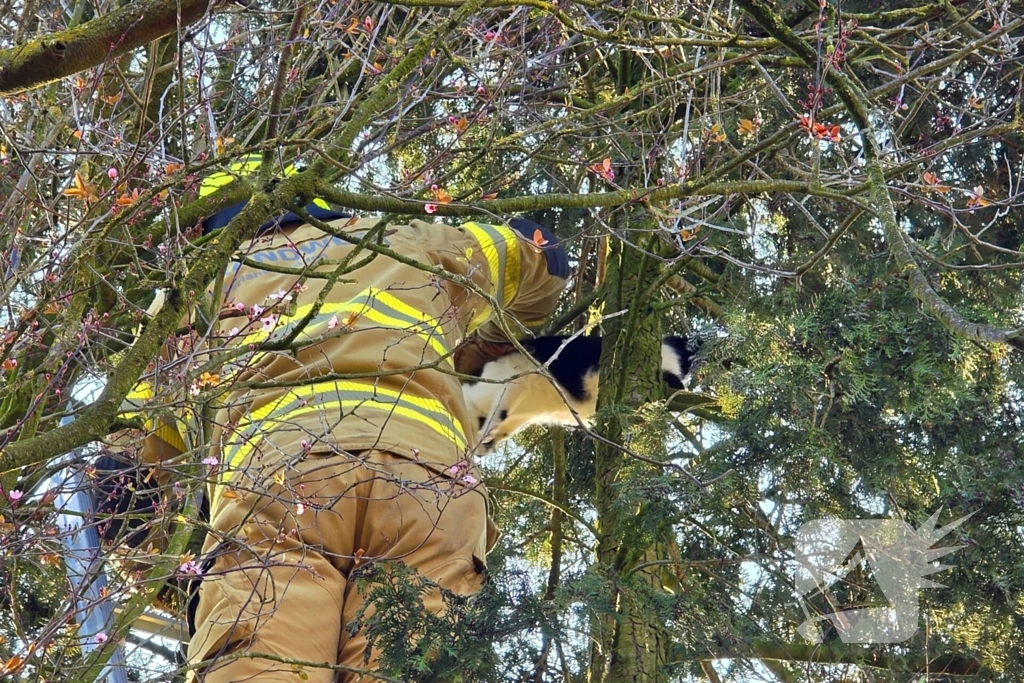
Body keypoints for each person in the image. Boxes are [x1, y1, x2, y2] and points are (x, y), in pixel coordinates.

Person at [123, 160, 569, 682]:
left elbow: (126, 484)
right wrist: (486, 341)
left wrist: (189, 584)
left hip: (282, 479)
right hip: (430, 487)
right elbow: (543, 256)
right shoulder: (404, 239)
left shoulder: (197, 290)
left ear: (211, 225)